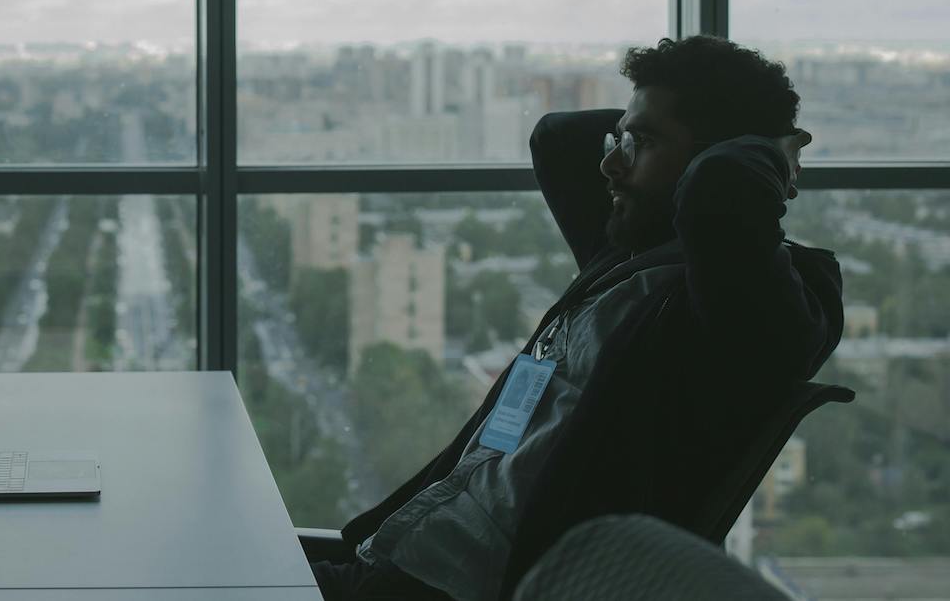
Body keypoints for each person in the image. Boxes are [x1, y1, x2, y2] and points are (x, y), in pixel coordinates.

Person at [310, 36, 844, 601]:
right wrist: (648, 134)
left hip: (462, 588)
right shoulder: (629, 255)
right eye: (622, 138)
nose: (610, 164)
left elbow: (719, 193)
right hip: (397, 558)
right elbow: (557, 138)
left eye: (641, 144)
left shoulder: (758, 308)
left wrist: (766, 149)